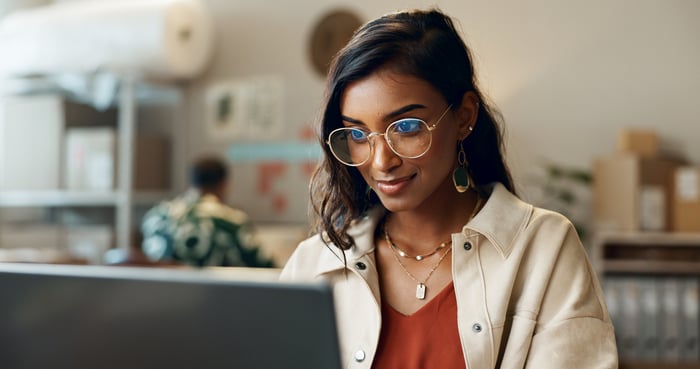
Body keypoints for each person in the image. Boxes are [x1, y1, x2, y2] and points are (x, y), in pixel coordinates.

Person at [280, 8, 617, 369]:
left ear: (464, 117)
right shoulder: (315, 263)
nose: (380, 162)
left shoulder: (543, 249)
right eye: (358, 135)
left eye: (406, 127)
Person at [140, 156, 274, 268]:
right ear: (223, 185)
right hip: (213, 297)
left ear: (192, 183)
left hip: (159, 296)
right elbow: (265, 268)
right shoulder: (231, 221)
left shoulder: (156, 216)